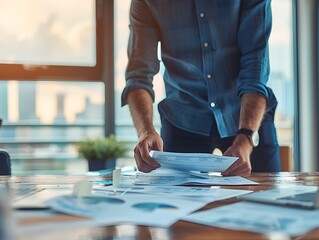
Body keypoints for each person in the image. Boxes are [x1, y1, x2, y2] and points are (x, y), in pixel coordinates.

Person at [121, 0, 281, 176]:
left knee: (265, 198)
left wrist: (246, 138)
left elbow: (255, 70)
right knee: (176, 201)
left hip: (246, 119)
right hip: (182, 117)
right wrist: (145, 132)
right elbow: (138, 76)